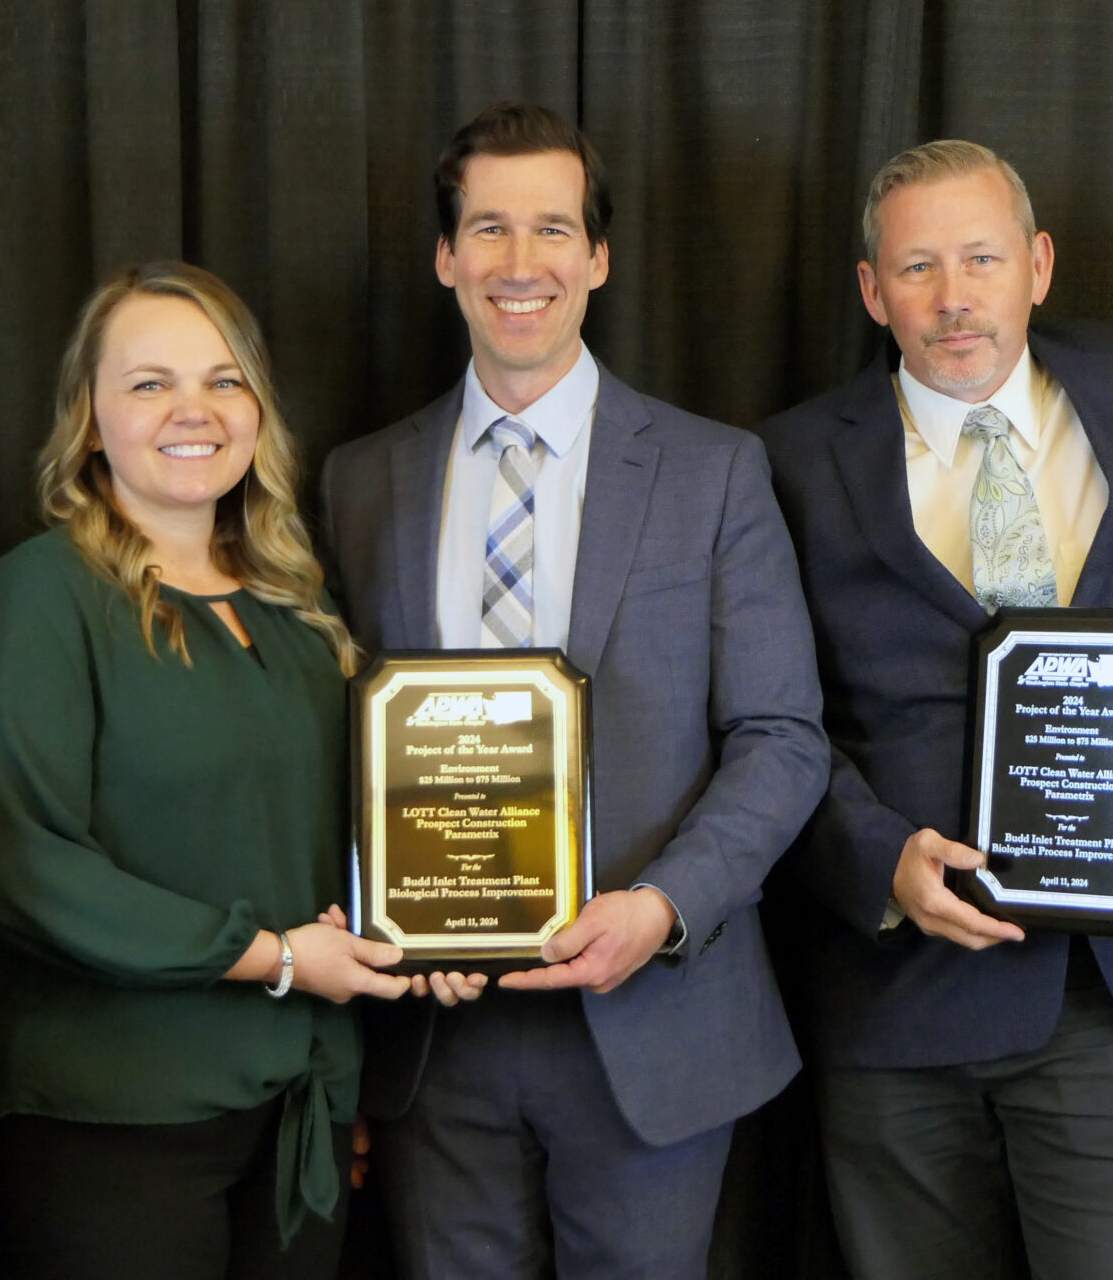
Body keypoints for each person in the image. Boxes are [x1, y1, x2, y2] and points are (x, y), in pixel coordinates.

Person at [316, 100, 830, 1280]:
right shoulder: (358, 482)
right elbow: (326, 751)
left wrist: (660, 909)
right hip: (434, 1035)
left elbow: (781, 737)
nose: (518, 262)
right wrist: (390, 918)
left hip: (651, 1020)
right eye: (487, 228)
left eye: (552, 229)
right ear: (444, 258)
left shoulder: (713, 471)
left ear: (597, 257)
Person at [757, 140, 1113, 1280]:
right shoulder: (784, 461)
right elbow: (765, 714)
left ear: (1040, 266)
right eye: (917, 267)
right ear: (873, 290)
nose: (954, 297)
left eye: (981, 258)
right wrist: (874, 861)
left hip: (1112, 996)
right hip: (899, 1005)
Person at [0, 261, 421, 1280]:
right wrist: (273, 957)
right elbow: (20, 862)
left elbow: (354, 844)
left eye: (223, 379)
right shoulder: (42, 596)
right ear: (88, 417)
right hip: (115, 1117)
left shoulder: (302, 611)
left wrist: (446, 931)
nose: (192, 410)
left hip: (301, 1109)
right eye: (149, 382)